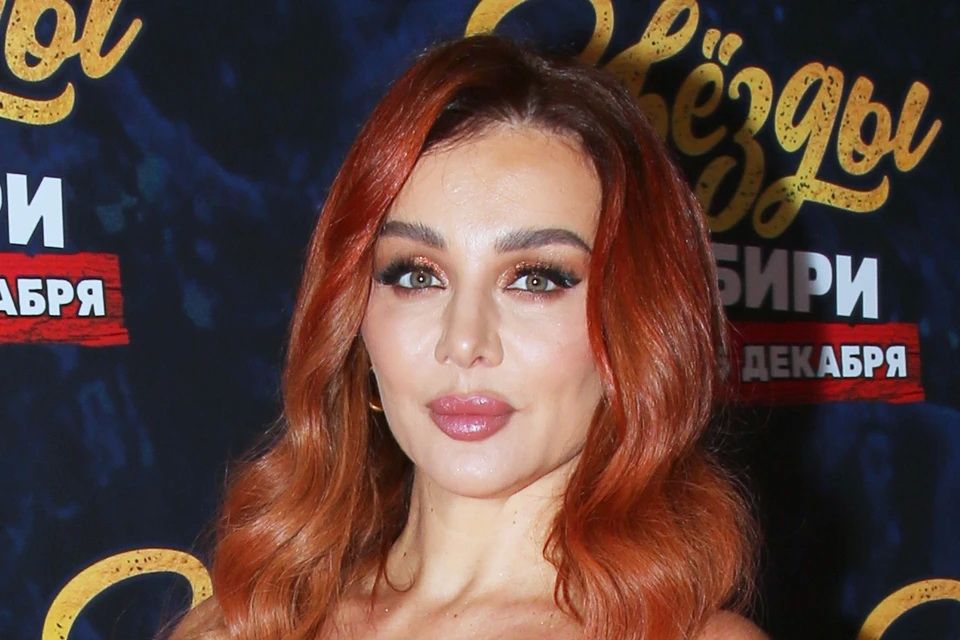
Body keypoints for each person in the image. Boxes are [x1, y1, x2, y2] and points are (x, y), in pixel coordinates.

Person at [169, 33, 767, 640]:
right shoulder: (235, 628)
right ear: (353, 316)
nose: (463, 341)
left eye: (535, 279)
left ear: (636, 321)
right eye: (417, 275)